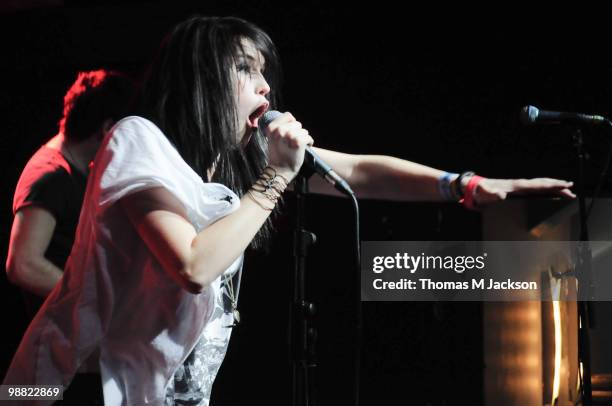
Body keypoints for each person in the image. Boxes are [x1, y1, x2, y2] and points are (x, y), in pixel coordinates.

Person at [2, 16, 573, 405]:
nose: (267, 89)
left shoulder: (233, 160)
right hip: (71, 385)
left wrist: (467, 186)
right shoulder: (137, 140)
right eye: (248, 70)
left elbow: (355, 171)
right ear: (204, 78)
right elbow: (194, 266)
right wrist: (276, 176)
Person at [5, 69, 134, 404]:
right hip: (46, 364)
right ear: (107, 128)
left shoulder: (76, 171)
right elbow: (23, 264)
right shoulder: (49, 175)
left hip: (66, 358)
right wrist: (92, 302)